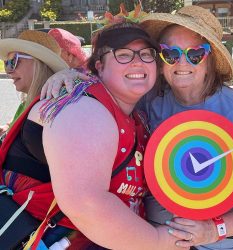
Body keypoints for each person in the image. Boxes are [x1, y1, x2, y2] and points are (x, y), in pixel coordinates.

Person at [42, 6, 233, 250]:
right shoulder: (155, 96)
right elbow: (113, 82)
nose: (181, 63)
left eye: (194, 54)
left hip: (208, 242)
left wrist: (214, 230)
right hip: (147, 226)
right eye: (170, 54)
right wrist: (72, 78)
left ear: (210, 59)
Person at [0, 21, 188, 250]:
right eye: (123, 54)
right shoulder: (82, 107)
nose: (138, 61)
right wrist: (159, 240)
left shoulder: (135, 114)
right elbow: (87, 205)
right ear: (99, 65)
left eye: (146, 54)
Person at [0, 30, 68, 139]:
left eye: (13, 62)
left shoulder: (53, 109)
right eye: (6, 63)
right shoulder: (26, 104)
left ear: (38, 64)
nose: (8, 71)